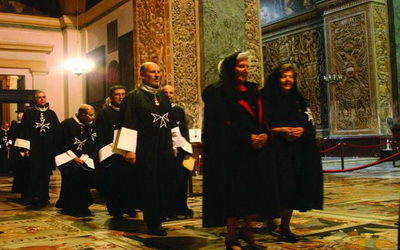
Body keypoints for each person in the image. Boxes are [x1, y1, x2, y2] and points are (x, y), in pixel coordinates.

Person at [202, 52, 279, 249]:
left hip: (254, 152)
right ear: (229, 67)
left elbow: (262, 117)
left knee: (253, 194)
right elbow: (220, 124)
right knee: (233, 196)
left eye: (246, 66)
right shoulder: (217, 91)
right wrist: (246, 137)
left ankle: (248, 231)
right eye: (240, 66)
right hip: (231, 153)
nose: (245, 70)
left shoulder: (253, 89)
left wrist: (264, 134)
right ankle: (232, 236)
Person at [114, 62, 189, 236]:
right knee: (149, 185)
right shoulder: (133, 97)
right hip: (144, 148)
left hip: (164, 148)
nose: (156, 75)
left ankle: (161, 215)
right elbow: (128, 122)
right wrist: (128, 150)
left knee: (164, 182)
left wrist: (177, 145)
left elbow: (171, 123)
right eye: (152, 72)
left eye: (158, 72)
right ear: (142, 74)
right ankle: (153, 221)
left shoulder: (162, 97)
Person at [261, 63, 323, 243]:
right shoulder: (265, 98)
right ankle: (270, 220)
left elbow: (309, 122)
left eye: (291, 77)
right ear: (277, 78)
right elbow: (260, 124)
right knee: (272, 187)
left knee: (290, 188)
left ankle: (285, 226)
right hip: (272, 151)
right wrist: (279, 130)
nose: (288, 80)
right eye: (284, 76)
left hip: (295, 152)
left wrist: (302, 131)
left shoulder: (298, 99)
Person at [96, 85, 137, 220]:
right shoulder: (104, 113)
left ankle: (130, 207)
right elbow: (102, 135)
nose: (120, 97)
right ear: (111, 97)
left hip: (129, 152)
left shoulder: (131, 111)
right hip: (112, 153)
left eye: (123, 94)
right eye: (117, 95)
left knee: (130, 182)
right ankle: (116, 210)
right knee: (114, 183)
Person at [14, 90, 60, 208]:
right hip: (34, 150)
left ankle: (44, 196)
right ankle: (34, 197)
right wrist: (25, 149)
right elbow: (24, 131)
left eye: (43, 97)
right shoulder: (29, 114)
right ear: (35, 99)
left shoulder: (51, 114)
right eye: (39, 97)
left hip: (47, 150)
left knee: (46, 174)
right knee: (34, 174)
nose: (42, 99)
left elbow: (57, 132)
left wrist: (56, 150)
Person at [55, 104, 97, 216]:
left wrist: (84, 157)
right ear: (82, 114)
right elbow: (60, 143)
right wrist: (74, 157)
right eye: (91, 115)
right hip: (67, 157)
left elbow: (90, 143)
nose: (93, 117)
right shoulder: (66, 124)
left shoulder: (89, 126)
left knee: (85, 177)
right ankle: (69, 205)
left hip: (83, 158)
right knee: (71, 178)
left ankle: (82, 205)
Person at [162, 84, 193, 219]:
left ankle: (181, 207)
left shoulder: (179, 110)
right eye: (166, 92)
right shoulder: (158, 110)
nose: (169, 95)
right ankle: (168, 209)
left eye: (171, 92)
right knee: (167, 181)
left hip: (181, 150)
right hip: (165, 151)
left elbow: (184, 130)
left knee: (181, 180)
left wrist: (187, 151)